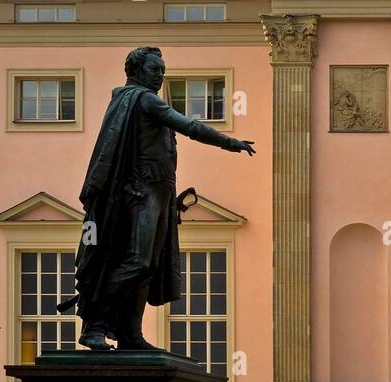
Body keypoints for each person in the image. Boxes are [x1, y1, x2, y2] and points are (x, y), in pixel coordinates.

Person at [58, 47, 254, 351]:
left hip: (160, 194)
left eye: (162, 69)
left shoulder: (136, 100)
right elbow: (190, 127)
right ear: (136, 72)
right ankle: (95, 323)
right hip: (140, 191)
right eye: (155, 69)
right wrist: (231, 142)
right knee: (138, 260)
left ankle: (129, 334)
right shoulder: (142, 99)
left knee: (148, 266)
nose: (161, 74)